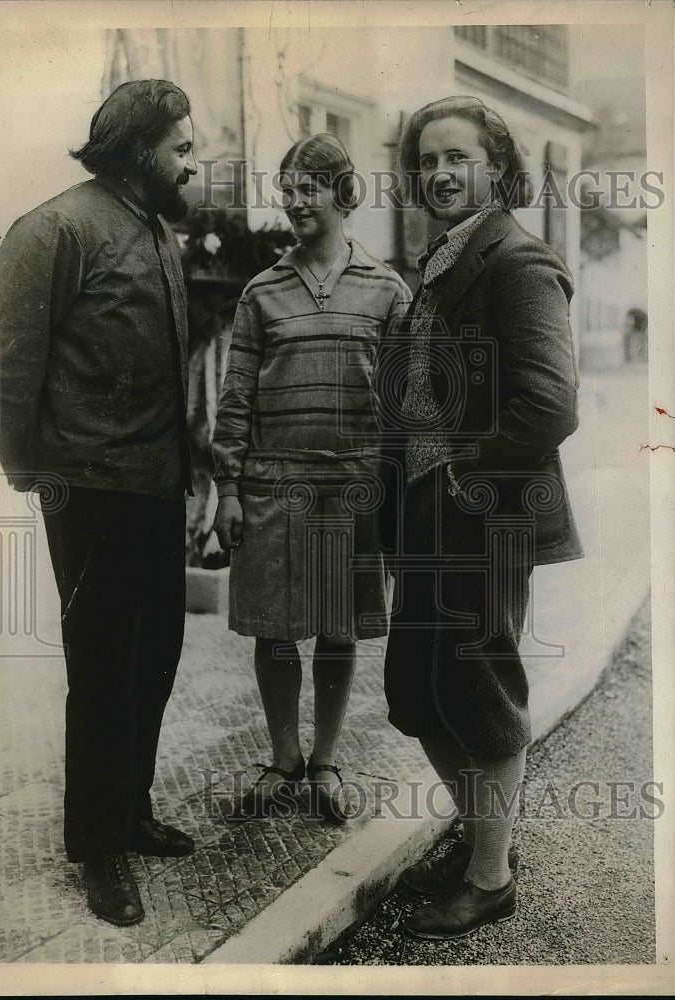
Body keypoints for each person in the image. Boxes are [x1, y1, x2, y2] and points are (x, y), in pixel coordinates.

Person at [0, 80, 198, 927]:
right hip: (92, 494)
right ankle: (98, 849)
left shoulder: (155, 231)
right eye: (181, 146)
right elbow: (0, 358)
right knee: (102, 674)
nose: (192, 159)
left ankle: (131, 813)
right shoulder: (56, 228)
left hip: (157, 489)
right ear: (142, 152)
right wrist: (32, 469)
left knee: (156, 660)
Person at [377, 96, 583, 938]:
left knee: (479, 686)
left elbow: (550, 404)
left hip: (485, 512)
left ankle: (490, 876)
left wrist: (462, 468)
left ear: (496, 166)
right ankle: (483, 841)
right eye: (427, 160)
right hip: (429, 514)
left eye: (457, 158)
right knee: (415, 692)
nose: (439, 174)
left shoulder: (517, 261)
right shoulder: (445, 256)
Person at [212, 133, 411, 823]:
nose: (295, 201)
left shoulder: (387, 290)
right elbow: (235, 396)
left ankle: (324, 761)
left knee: (337, 630)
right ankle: (283, 758)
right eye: (287, 188)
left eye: (308, 188)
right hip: (272, 487)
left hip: (353, 489)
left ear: (343, 193)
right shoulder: (261, 292)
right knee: (275, 631)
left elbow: (404, 405)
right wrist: (229, 489)